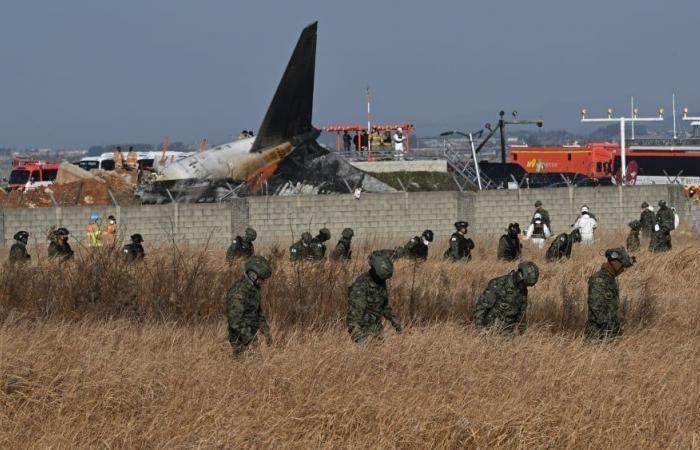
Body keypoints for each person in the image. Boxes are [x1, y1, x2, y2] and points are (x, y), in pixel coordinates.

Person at [346, 251, 402, 343]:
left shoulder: (380, 282)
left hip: (377, 331)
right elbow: (352, 320)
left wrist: (394, 321)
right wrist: (361, 341)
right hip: (363, 334)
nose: (384, 281)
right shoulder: (361, 286)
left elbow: (384, 306)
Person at [472, 261, 540, 334]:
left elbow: (522, 314)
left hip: (508, 332)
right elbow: (481, 306)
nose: (524, 287)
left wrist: (522, 333)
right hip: (490, 329)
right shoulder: (499, 283)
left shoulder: (523, 290)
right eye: (524, 284)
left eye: (527, 285)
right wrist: (480, 328)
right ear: (520, 275)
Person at [225, 256, 273, 354]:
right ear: (253, 275)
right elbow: (235, 320)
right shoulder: (239, 292)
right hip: (240, 339)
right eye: (261, 279)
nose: (262, 282)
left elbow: (257, 313)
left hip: (251, 335)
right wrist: (250, 338)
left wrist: (266, 332)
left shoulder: (254, 289)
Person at [585, 247, 635, 340]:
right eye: (622, 266)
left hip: (610, 332)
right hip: (598, 336)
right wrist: (609, 331)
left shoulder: (609, 278)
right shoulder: (599, 280)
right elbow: (596, 307)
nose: (623, 270)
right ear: (614, 263)